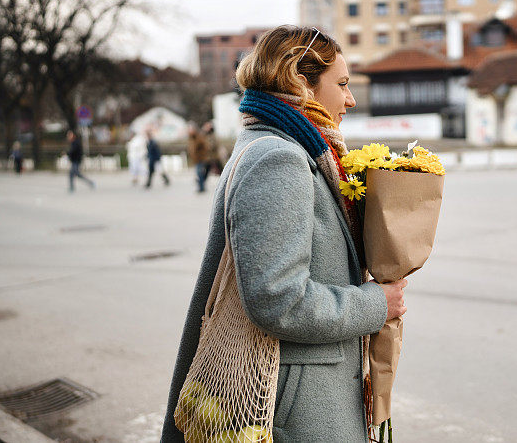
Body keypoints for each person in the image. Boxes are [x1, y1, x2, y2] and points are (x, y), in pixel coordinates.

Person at [161, 26, 407, 442]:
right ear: (299, 81)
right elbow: (278, 298)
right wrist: (375, 303)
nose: (350, 99)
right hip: (290, 406)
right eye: (342, 84)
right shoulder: (278, 158)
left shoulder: (276, 145)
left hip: (298, 394)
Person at [187, 126, 210, 193]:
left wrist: (201, 154)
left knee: (199, 173)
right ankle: (201, 186)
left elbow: (205, 147)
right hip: (196, 159)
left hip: (200, 158)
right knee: (199, 173)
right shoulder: (191, 138)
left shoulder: (199, 137)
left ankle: (201, 187)